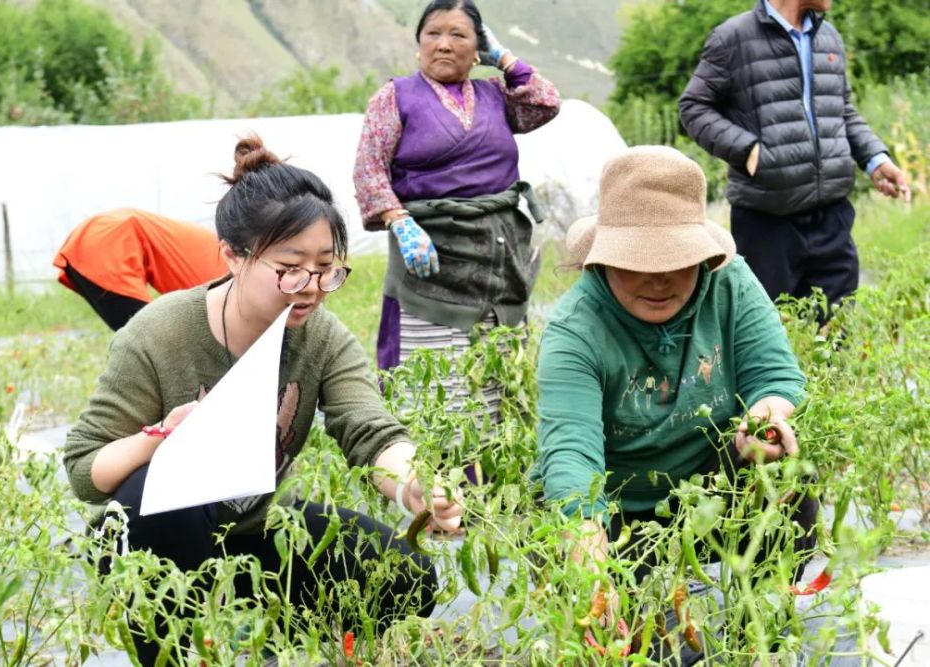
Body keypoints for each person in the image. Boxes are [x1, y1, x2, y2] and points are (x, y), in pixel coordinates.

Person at [63, 135, 462, 665]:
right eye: (290, 266)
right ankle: (176, 654)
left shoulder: (321, 337)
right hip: (153, 543)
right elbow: (85, 469)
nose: (311, 286)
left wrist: (414, 486)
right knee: (153, 503)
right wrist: (160, 437)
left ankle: (277, 648)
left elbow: (370, 430)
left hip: (252, 530)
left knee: (407, 578)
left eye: (326, 267)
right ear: (232, 256)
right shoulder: (159, 334)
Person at [534, 146, 817, 658]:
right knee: (637, 644)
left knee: (788, 478)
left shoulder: (729, 283)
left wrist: (764, 419)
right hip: (615, 515)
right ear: (604, 258)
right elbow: (572, 457)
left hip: (704, 490)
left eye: (676, 261)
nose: (659, 279)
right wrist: (592, 559)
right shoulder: (576, 330)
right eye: (639, 263)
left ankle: (753, 626)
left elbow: (773, 375)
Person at [353, 0, 560, 427]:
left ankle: (493, 482)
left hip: (500, 260)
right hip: (429, 258)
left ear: (477, 48)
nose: (444, 45)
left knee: (498, 381)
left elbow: (545, 103)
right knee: (432, 388)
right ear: (418, 45)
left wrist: (503, 58)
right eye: (433, 33)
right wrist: (399, 221)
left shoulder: (495, 96)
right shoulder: (395, 98)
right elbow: (369, 169)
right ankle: (430, 484)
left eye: (459, 35)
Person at [678, 0, 911, 310]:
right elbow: (693, 107)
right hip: (766, 225)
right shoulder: (732, 38)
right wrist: (747, 150)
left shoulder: (829, 38)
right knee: (770, 338)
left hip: (832, 220)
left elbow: (840, 109)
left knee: (836, 336)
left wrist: (875, 160)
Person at [53, 208, 228, 330]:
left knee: (150, 343)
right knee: (156, 341)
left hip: (98, 240)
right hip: (109, 247)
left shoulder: (226, 253)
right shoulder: (232, 277)